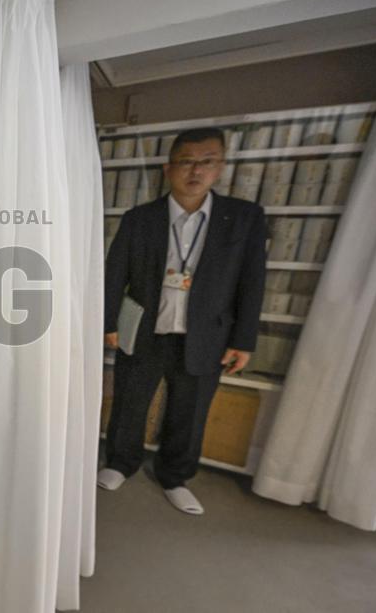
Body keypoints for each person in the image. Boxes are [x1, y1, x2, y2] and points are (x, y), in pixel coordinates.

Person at [99, 127, 267, 515]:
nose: (196, 171)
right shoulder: (140, 218)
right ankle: (120, 463)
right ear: (168, 168)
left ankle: (174, 476)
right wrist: (107, 322)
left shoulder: (243, 219)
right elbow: (114, 273)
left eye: (207, 161)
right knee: (129, 401)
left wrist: (244, 340)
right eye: (187, 161)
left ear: (220, 167)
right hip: (145, 329)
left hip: (206, 333)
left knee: (190, 412)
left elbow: (253, 280)